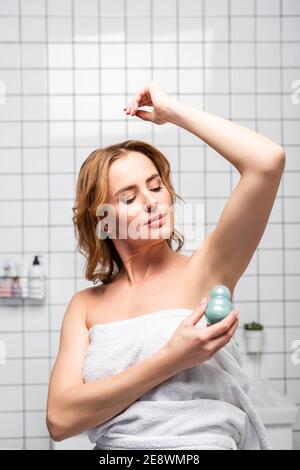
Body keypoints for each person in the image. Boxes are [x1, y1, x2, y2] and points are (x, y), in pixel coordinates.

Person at [46, 80, 285, 446]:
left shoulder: (207, 269)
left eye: (156, 187)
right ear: (103, 220)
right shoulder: (85, 307)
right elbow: (60, 420)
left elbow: (267, 162)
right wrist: (173, 358)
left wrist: (173, 111)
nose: (152, 202)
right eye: (129, 197)